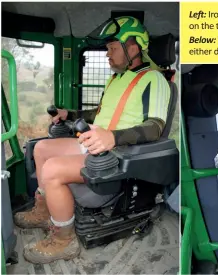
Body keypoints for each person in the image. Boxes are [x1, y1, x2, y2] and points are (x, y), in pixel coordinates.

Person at [14, 16, 171, 264]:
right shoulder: (117, 79)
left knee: (53, 168)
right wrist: (70, 115)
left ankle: (64, 241)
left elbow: (155, 127)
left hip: (121, 156)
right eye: (107, 48)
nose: (108, 54)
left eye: (112, 48)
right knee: (42, 148)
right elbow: (98, 114)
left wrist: (112, 137)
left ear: (134, 47)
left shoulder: (155, 80)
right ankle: (44, 212)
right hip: (99, 144)